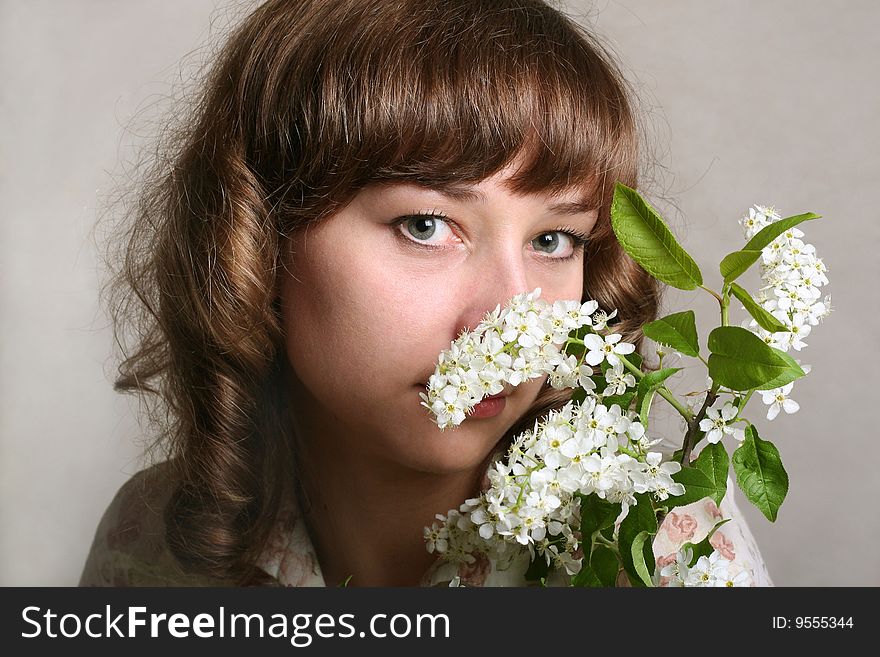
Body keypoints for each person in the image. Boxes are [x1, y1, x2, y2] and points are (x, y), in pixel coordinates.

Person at [80, 0, 772, 587]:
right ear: (258, 239)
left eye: (554, 239)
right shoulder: (153, 539)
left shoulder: (664, 548)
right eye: (426, 225)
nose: (511, 316)